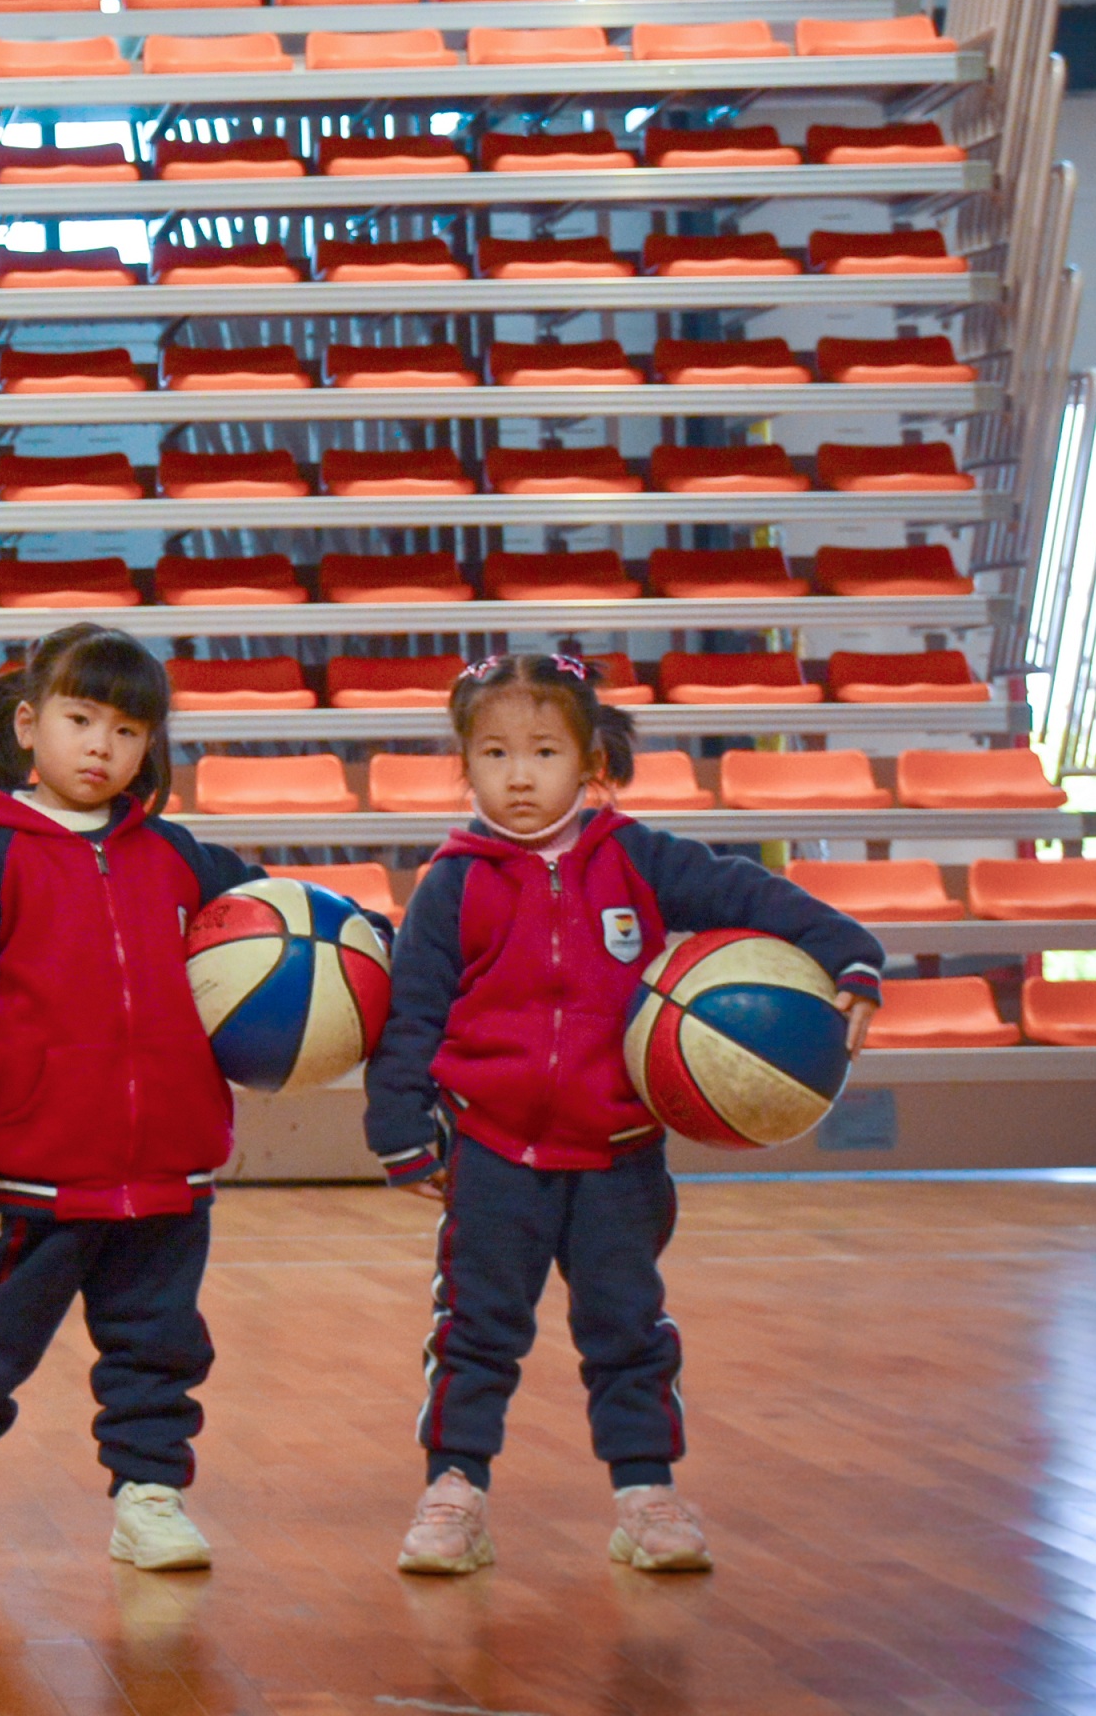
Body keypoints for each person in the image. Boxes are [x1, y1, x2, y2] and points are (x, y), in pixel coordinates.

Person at [364, 647, 888, 1579]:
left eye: (543, 752)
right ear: (464, 764)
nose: (518, 775)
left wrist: (849, 952)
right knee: (476, 1329)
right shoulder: (454, 881)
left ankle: (646, 1494)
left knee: (628, 1328)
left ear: (590, 761)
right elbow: (413, 1013)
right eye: (492, 754)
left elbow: (756, 894)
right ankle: (455, 1491)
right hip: (494, 1152)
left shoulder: (638, 859)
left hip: (619, 1154)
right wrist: (401, 1128)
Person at [0, 624, 274, 1581]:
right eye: (80, 720)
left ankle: (150, 1496)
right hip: (35, 1165)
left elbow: (284, 920)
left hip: (168, 1167)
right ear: (26, 725)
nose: (101, 747)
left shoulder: (178, 857)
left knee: (159, 1352)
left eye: (128, 731)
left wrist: (369, 947)